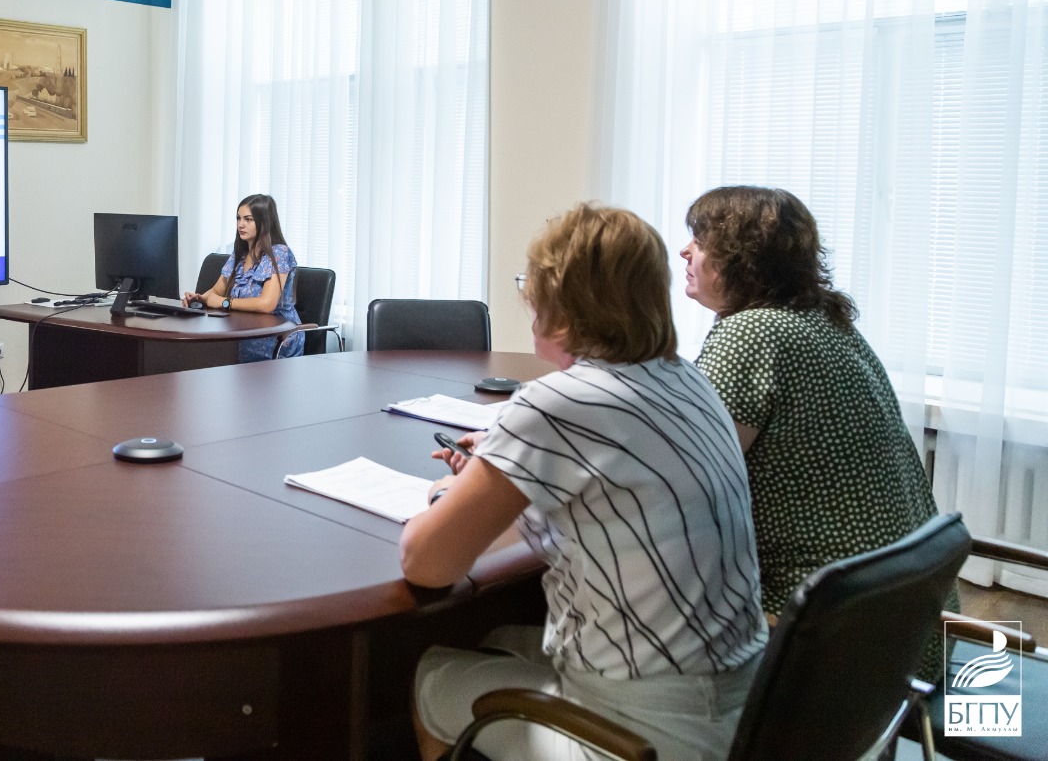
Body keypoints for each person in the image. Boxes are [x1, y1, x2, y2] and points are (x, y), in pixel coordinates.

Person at [402, 204, 766, 761]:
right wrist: (508, 469)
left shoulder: (558, 403)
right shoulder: (688, 380)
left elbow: (426, 563)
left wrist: (451, 492)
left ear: (562, 304)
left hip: (646, 731)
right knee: (495, 639)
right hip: (745, 704)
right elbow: (610, 499)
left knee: (430, 675)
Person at [680, 185, 953, 652]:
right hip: (908, 624)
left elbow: (689, 479)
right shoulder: (827, 321)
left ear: (740, 257)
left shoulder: (752, 332)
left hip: (829, 637)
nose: (685, 251)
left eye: (700, 241)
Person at [184, 193, 303, 361]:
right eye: (238, 218)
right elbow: (217, 291)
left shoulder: (279, 253)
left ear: (264, 222)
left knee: (210, 355)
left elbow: (266, 304)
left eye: (248, 219)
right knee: (196, 354)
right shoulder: (240, 254)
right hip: (243, 332)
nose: (241, 224)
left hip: (276, 337)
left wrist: (225, 302)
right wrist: (200, 299)